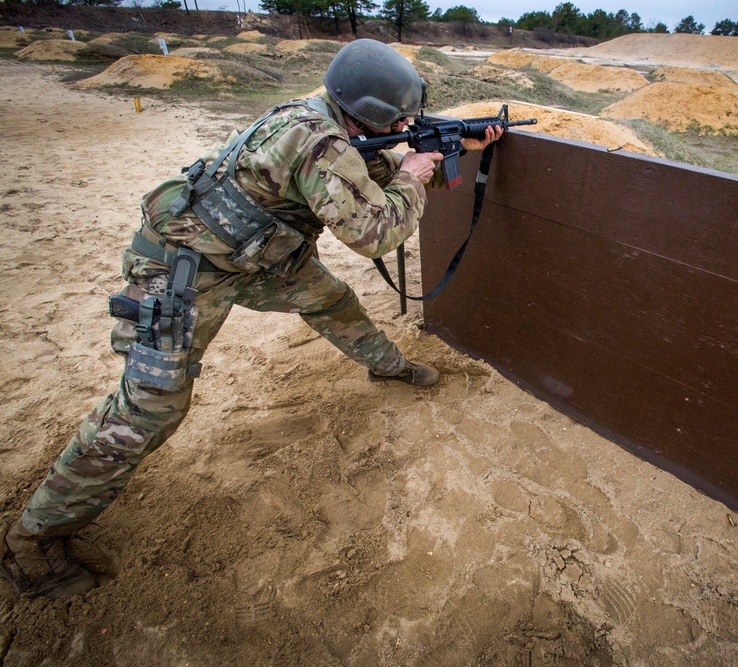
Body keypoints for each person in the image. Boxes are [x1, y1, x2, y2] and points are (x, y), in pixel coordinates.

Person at [1, 39, 502, 600]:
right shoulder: (320, 143)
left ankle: (387, 367)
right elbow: (375, 232)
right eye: (402, 117)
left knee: (331, 300)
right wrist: (414, 172)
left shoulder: (319, 117)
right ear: (368, 111)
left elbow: (370, 166)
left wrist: (446, 147)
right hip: (182, 268)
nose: (409, 124)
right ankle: (32, 540)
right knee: (150, 408)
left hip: (257, 254)